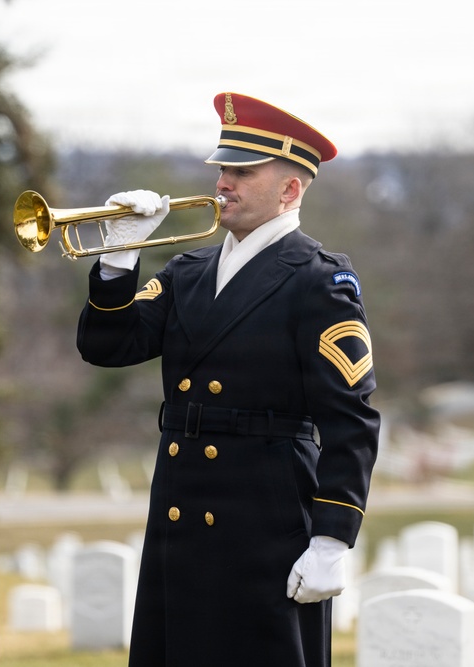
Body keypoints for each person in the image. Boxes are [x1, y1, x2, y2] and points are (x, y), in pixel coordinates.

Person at [76, 92, 380, 667]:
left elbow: (352, 419)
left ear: (290, 190)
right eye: (222, 170)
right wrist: (119, 257)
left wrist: (333, 537)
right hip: (181, 509)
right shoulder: (187, 271)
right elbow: (107, 346)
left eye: (242, 172)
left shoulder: (321, 281)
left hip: (267, 519)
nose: (223, 184)